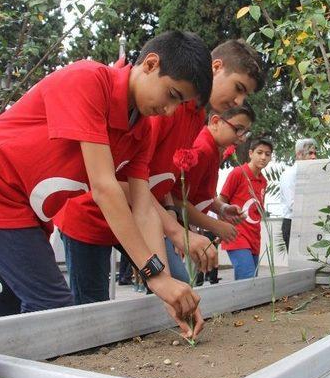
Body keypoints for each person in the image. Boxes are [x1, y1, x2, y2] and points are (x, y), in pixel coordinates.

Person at [0, 31, 211, 326]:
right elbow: (105, 188)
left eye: (179, 104)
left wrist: (166, 284)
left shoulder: (140, 130)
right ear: (151, 64)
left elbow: (144, 209)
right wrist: (155, 277)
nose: (169, 111)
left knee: (5, 305)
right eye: (172, 95)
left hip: (31, 209)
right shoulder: (88, 81)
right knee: (52, 307)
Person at [53, 39, 264, 336]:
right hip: (91, 216)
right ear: (216, 68)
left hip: (139, 216)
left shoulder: (189, 116)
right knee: (89, 320)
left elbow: (153, 181)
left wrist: (169, 231)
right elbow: (118, 183)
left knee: (174, 283)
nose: (239, 101)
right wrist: (177, 232)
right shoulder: (161, 105)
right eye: (239, 88)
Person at [171, 105, 255, 285]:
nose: (241, 138)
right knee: (179, 281)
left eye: (245, 132)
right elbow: (176, 199)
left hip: (182, 226)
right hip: (169, 224)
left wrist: (222, 208)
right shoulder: (202, 149)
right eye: (238, 129)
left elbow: (200, 194)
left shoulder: (212, 148)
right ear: (215, 121)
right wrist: (216, 225)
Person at [219, 137, 273, 280]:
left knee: (253, 281)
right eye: (259, 152)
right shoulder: (238, 173)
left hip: (254, 236)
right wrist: (220, 228)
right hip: (237, 235)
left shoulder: (263, 181)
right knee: (247, 277)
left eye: (267, 154)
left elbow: (257, 211)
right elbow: (221, 201)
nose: (263, 157)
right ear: (250, 153)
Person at [278, 138, 317, 250]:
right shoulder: (289, 175)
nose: (314, 157)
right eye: (310, 153)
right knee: (298, 266)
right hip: (293, 224)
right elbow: (292, 205)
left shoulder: (311, 175)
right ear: (299, 154)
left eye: (315, 153)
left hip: (309, 223)